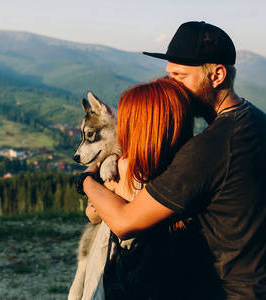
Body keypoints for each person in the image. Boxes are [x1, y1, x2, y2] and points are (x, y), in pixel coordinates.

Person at [76, 21, 266, 299]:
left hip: (225, 291)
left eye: (180, 76)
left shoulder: (213, 145)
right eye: (169, 74)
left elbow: (126, 223)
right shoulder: (254, 119)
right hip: (259, 285)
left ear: (217, 75)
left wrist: (85, 180)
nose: (171, 85)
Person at [81, 77, 196, 299]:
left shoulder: (127, 169)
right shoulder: (188, 167)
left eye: (128, 120)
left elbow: (95, 215)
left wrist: (86, 181)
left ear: (145, 127)